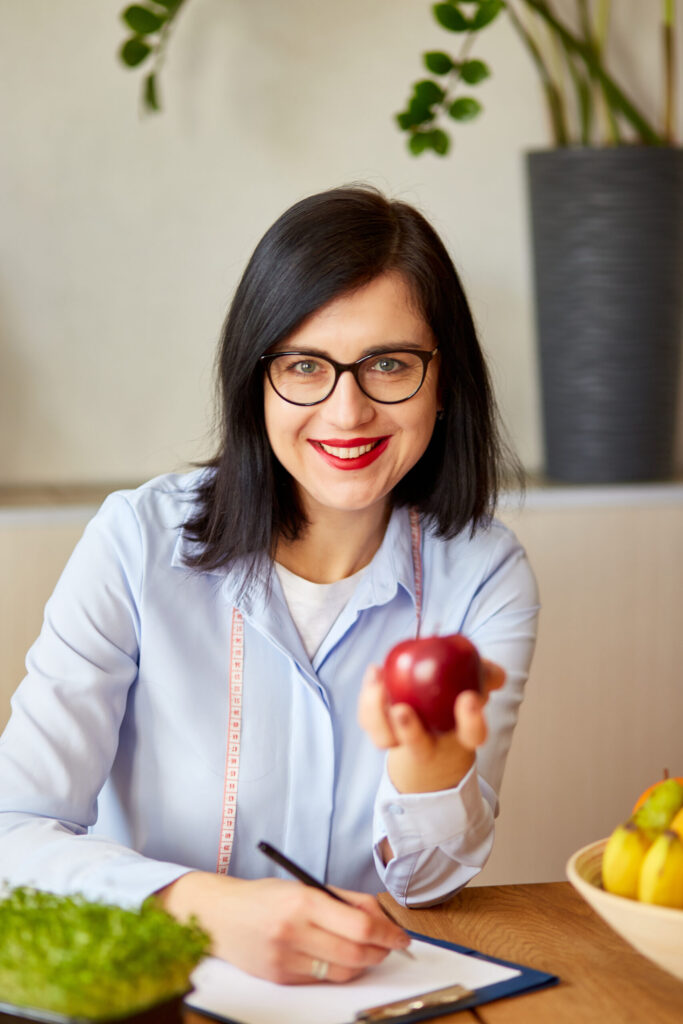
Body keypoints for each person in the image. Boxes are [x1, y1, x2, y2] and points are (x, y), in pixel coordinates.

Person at [0, 185, 538, 985]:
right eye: (304, 366)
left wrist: (432, 774)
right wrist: (199, 907)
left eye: (389, 364)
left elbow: (428, 885)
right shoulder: (133, 543)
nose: (346, 411)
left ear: (441, 378)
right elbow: (13, 834)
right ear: (256, 377)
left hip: (362, 995)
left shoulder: (484, 572)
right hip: (149, 988)